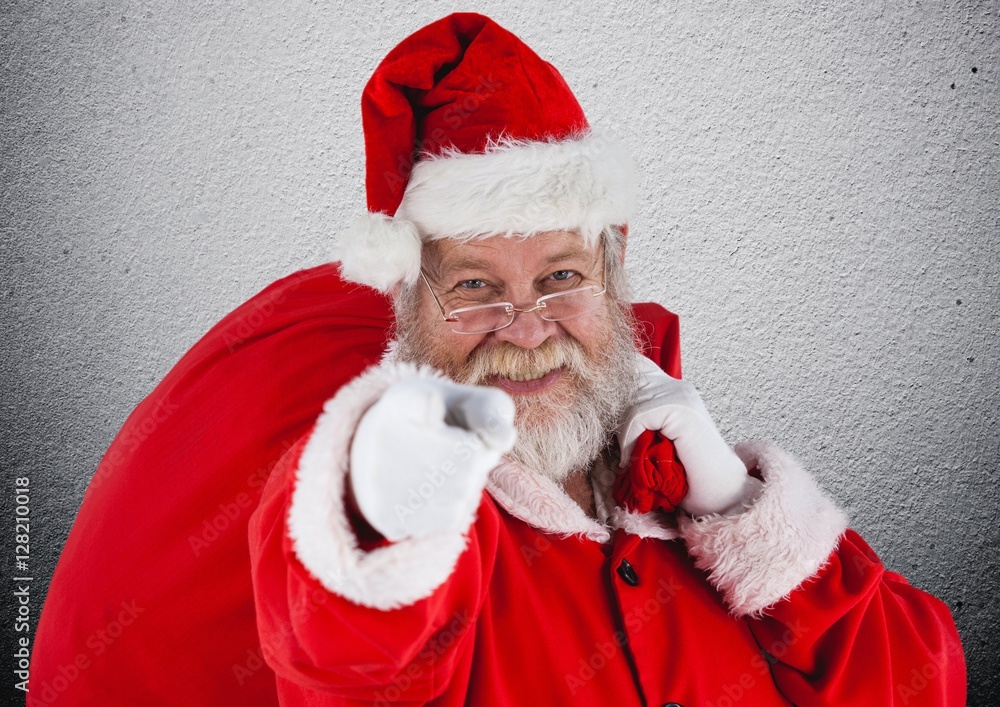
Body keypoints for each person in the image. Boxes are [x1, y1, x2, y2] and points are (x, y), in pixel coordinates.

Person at [29, 12, 965, 707]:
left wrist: (742, 513)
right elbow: (348, 661)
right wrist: (386, 514)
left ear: (614, 270)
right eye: (475, 286)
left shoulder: (677, 475)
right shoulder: (433, 521)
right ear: (409, 303)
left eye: (560, 273)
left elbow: (923, 683)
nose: (529, 327)